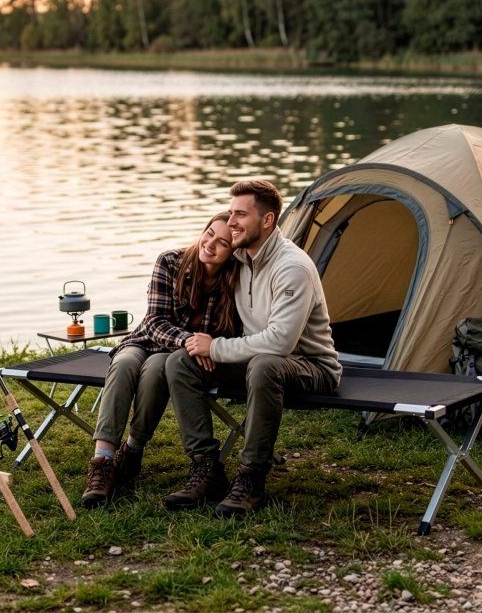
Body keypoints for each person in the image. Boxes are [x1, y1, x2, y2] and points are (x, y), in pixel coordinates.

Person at [164, 179, 341, 517]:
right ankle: (206, 468)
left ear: (268, 220)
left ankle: (251, 477)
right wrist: (199, 345)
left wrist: (216, 348)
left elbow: (280, 342)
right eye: (230, 213)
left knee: (264, 364)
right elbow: (201, 264)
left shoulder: (292, 267)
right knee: (180, 362)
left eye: (240, 215)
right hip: (256, 361)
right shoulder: (240, 258)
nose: (230, 222)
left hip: (310, 365)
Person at [81, 212, 241, 508]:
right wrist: (190, 341)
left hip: (175, 355)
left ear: (233, 252)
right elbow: (154, 321)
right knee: (124, 364)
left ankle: (132, 450)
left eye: (222, 243)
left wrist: (204, 347)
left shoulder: (233, 279)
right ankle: (103, 462)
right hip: (146, 340)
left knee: (157, 369)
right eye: (209, 234)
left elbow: (225, 330)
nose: (210, 244)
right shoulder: (170, 261)